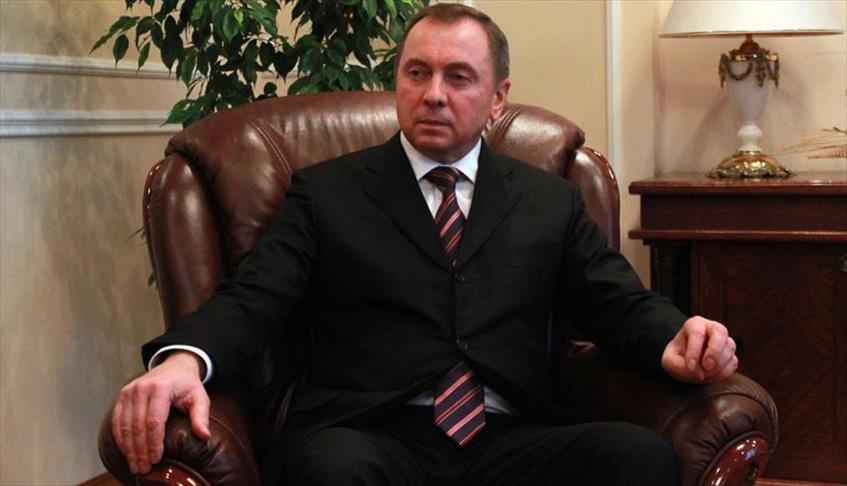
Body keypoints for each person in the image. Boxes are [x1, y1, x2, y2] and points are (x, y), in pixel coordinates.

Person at [111, 4, 738, 485]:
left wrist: (676, 336)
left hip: (510, 436)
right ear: (399, 82)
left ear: (497, 98)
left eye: (458, 77)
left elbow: (617, 300)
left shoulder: (548, 200)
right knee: (330, 470)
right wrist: (184, 359)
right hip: (370, 436)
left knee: (637, 456)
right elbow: (255, 297)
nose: (434, 93)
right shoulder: (327, 194)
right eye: (418, 73)